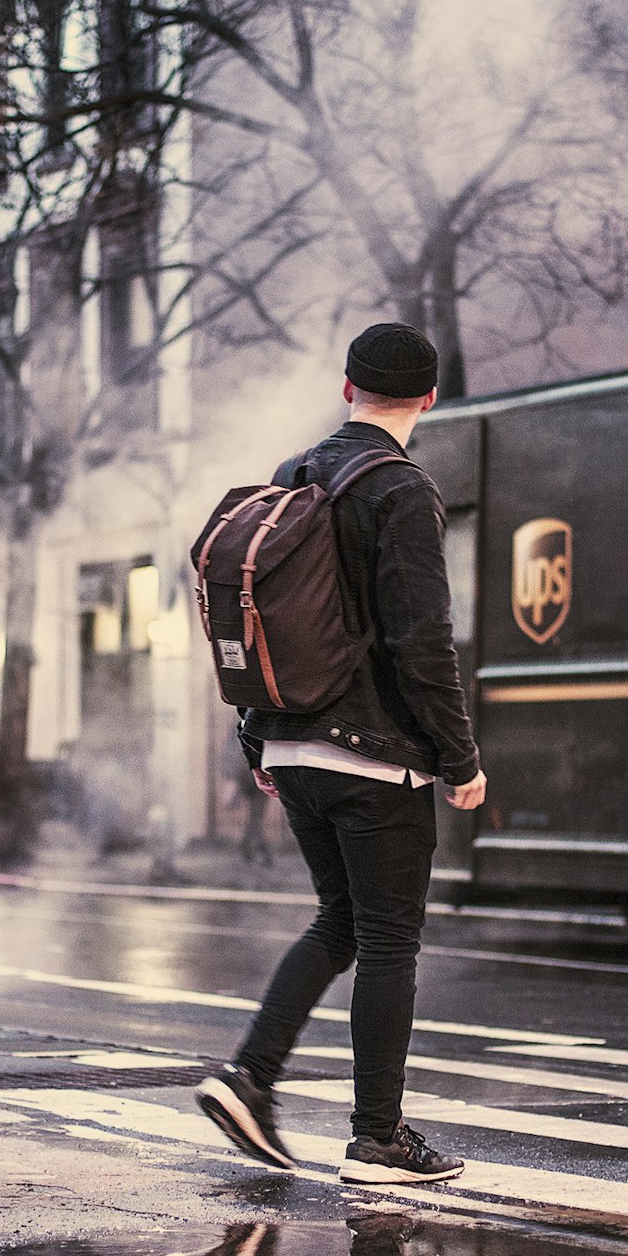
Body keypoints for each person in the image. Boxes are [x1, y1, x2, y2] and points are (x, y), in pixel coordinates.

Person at [196, 321, 486, 1186]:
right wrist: (460, 760)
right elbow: (422, 642)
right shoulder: (401, 490)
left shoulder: (295, 475)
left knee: (340, 925)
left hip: (291, 747)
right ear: (429, 399)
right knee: (390, 940)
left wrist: (258, 737)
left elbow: (255, 618)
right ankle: (378, 1136)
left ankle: (250, 1077)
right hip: (375, 759)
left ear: (346, 387)